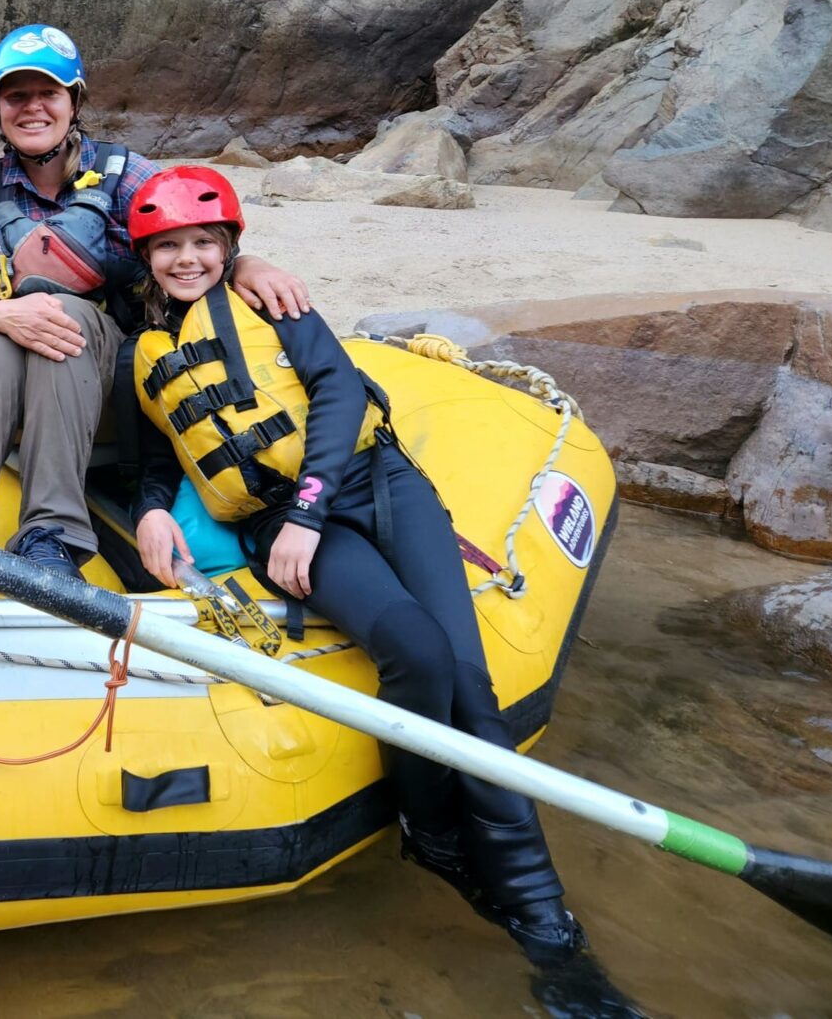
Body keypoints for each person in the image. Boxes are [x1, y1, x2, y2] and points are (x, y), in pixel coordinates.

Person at [124, 164, 587, 967]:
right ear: (148, 257)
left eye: (205, 242)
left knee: (470, 683)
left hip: (377, 485)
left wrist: (308, 506)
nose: (187, 259)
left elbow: (337, 390)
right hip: (281, 524)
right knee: (416, 651)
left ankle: (540, 912)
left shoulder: (270, 301)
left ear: (231, 246)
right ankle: (433, 835)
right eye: (169, 247)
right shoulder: (146, 353)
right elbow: (162, 457)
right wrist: (152, 508)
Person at [0, 23, 309, 594]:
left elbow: (198, 240)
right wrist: (4, 315)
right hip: (14, 381)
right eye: (17, 96)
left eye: (49, 94)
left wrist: (248, 263)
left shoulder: (126, 174)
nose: (33, 108)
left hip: (122, 383)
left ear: (75, 101)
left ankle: (53, 536)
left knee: (62, 315)